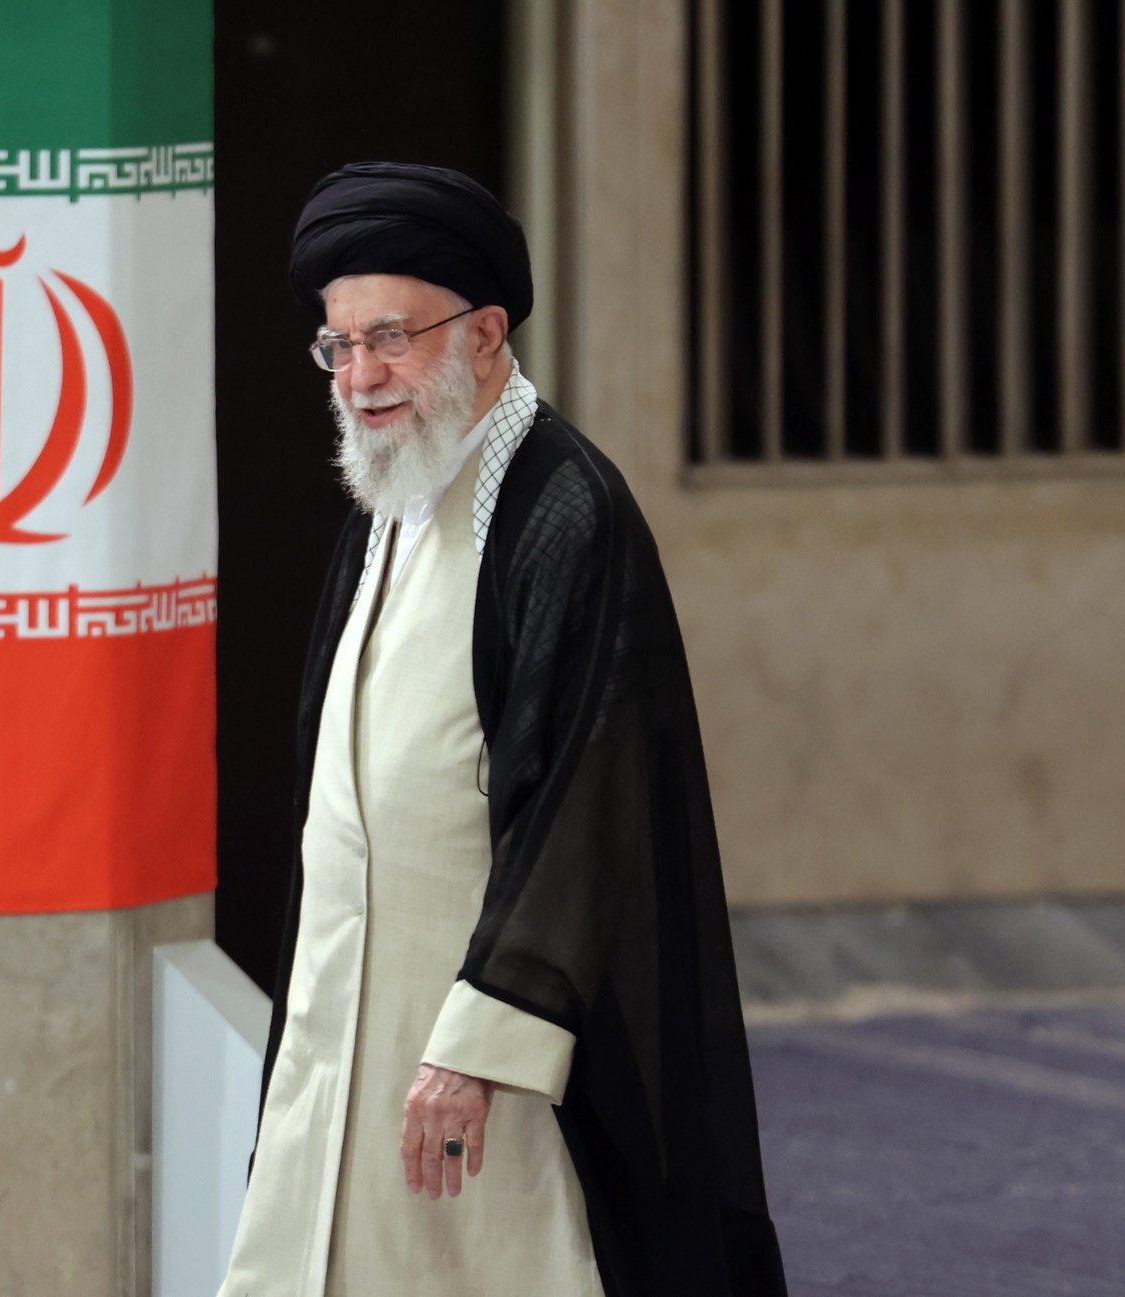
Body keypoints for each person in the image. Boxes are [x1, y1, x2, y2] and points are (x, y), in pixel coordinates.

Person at [217, 162, 786, 1297]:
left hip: (484, 1051)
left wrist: (477, 1046)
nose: (361, 378)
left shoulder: (563, 510)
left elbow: (594, 798)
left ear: (483, 331)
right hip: (347, 1015)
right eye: (338, 348)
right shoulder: (394, 493)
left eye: (391, 340)